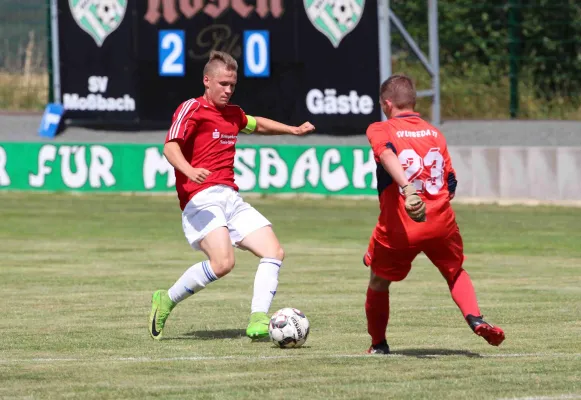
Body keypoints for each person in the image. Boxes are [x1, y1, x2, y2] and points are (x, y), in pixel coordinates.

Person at [149, 50, 315, 340]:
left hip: (230, 198)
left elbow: (257, 123)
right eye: (223, 84)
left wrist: (292, 129)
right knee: (223, 263)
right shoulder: (192, 108)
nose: (228, 90)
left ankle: (258, 320)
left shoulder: (232, 114)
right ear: (207, 81)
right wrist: (189, 170)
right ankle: (166, 299)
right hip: (199, 198)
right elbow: (170, 147)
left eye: (232, 85)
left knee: (274, 252)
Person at [362, 74, 505, 354]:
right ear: (413, 102)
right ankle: (475, 318)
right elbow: (450, 182)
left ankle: (378, 344)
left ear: (387, 103)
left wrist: (407, 189)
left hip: (401, 226)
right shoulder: (434, 133)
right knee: (454, 272)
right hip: (441, 221)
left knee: (378, 282)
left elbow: (386, 153)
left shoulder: (380, 129)